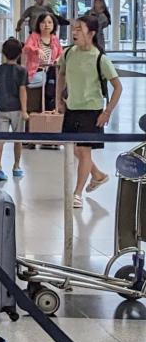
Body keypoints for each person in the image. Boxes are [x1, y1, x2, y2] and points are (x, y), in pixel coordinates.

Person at [57, 16, 122, 209]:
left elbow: (118, 87)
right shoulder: (68, 53)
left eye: (79, 29)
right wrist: (60, 99)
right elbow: (61, 75)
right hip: (72, 109)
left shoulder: (100, 59)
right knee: (75, 150)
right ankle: (97, 175)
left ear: (91, 33)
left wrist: (107, 111)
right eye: (74, 28)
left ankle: (77, 193)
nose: (74, 32)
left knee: (84, 151)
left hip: (92, 111)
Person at [0, 38, 28, 183]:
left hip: (1, 107)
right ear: (20, 53)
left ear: (3, 52)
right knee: (18, 139)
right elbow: (22, 91)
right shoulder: (22, 71)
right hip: (16, 109)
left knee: (0, 139)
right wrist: (24, 110)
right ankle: (16, 166)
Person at [23, 10, 64, 116]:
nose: (46, 25)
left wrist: (57, 59)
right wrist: (36, 50)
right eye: (43, 22)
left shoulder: (54, 39)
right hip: (36, 71)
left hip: (50, 71)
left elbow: (61, 53)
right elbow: (27, 48)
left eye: (50, 22)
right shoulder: (34, 36)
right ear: (39, 24)